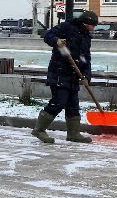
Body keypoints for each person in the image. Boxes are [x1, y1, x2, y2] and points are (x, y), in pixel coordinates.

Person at [32, 9, 99, 144]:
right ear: (87, 23)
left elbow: (85, 57)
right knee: (59, 101)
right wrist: (56, 41)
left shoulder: (86, 37)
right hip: (59, 72)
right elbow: (48, 35)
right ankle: (39, 129)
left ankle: (73, 134)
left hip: (74, 75)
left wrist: (86, 75)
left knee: (73, 105)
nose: (94, 28)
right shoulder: (67, 27)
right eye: (93, 25)